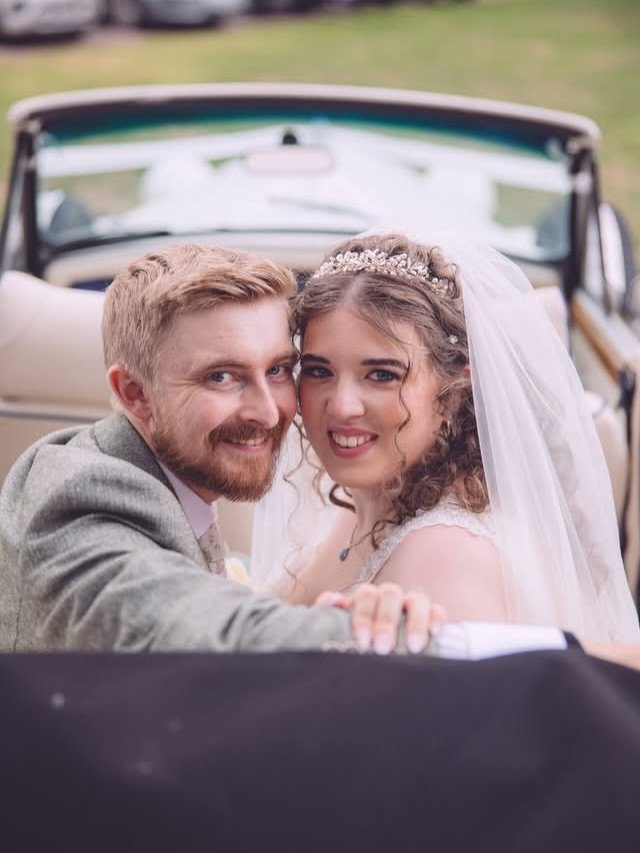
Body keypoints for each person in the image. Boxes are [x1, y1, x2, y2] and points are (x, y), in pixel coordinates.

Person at [0, 242, 446, 655]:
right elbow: (193, 630)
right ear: (134, 393)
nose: (269, 413)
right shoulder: (81, 495)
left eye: (278, 370)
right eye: (222, 377)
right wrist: (383, 633)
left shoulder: (168, 485)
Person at [254, 232, 640, 644]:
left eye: (382, 375)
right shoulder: (375, 499)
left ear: (455, 388)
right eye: (318, 370)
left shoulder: (447, 558)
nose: (342, 405)